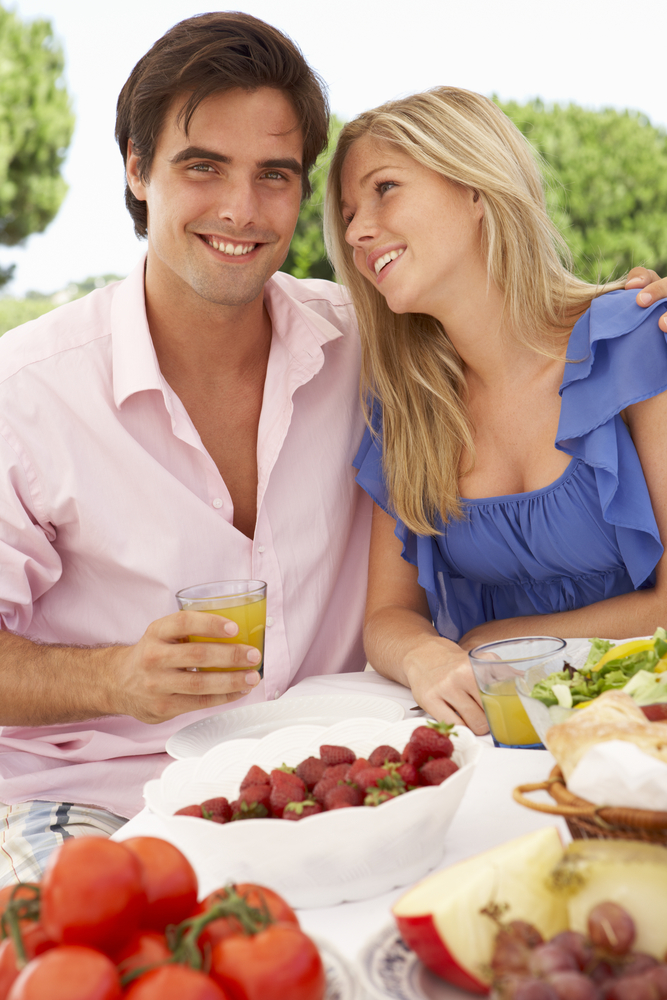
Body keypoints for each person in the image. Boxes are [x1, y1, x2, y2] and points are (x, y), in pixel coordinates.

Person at [0, 12, 373, 885]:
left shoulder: (363, 342)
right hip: (99, 799)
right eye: (203, 167)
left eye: (273, 175)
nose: (241, 209)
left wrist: (619, 307)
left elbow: (515, 331)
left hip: (328, 783)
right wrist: (117, 679)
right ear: (137, 169)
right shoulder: (28, 391)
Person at [324, 86, 667, 731]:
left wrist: (495, 641)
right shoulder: (409, 406)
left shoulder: (637, 340)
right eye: (346, 214)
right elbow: (387, 617)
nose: (358, 230)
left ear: (476, 189)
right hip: (504, 735)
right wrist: (424, 655)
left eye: (385, 188)